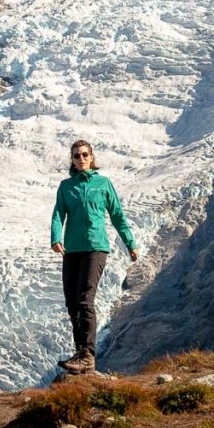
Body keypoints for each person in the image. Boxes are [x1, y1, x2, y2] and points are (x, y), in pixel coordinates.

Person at [50, 139, 139, 374]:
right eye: (77, 155)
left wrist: (130, 243)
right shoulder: (66, 187)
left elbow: (117, 215)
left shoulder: (103, 184)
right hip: (72, 249)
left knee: (84, 299)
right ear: (72, 159)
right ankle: (80, 354)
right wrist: (55, 238)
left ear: (92, 157)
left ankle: (87, 353)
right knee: (72, 303)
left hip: (96, 248)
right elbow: (58, 214)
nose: (81, 159)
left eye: (85, 155)